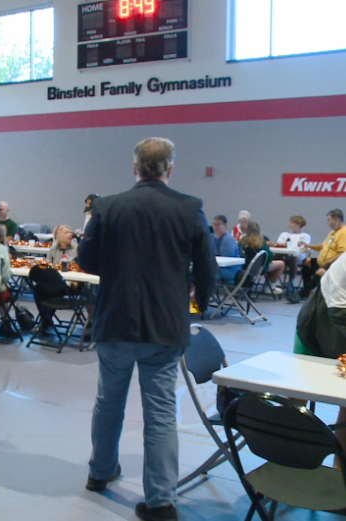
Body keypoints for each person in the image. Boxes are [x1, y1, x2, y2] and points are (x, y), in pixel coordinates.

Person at [79, 137, 215, 521]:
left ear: (135, 168)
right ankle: (161, 501)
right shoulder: (190, 209)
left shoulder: (107, 207)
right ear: (170, 169)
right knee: (160, 412)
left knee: (109, 402)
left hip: (115, 322)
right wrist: (200, 304)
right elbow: (206, 268)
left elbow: (87, 261)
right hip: (164, 327)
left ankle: (100, 473)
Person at [294, 253, 346, 462]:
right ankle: (285, 458)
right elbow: (338, 312)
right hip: (323, 320)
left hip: (330, 312)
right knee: (297, 395)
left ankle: (338, 477)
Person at [292, 208, 346, 303]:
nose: (327, 223)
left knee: (320, 272)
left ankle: (301, 293)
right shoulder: (333, 232)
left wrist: (327, 262)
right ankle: (308, 292)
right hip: (324, 262)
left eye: (329, 220)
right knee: (306, 262)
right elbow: (323, 246)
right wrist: (309, 245)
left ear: (336, 219)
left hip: (334, 264)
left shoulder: (343, 232)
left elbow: (343, 253)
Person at [239, 221, 284, 291]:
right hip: (259, 268)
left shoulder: (242, 240)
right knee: (281, 264)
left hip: (245, 266)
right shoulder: (261, 242)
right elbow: (269, 256)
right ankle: (270, 286)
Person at [277, 215, 310, 294]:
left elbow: (303, 247)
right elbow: (279, 245)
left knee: (295, 258)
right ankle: (271, 283)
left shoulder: (305, 236)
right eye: (290, 222)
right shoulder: (284, 234)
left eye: (292, 223)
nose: (290, 224)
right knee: (277, 256)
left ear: (299, 225)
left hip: (298, 257)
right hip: (285, 256)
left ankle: (291, 282)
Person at [210, 214, 241, 283]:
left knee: (204, 272)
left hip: (230, 270)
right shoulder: (211, 237)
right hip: (218, 268)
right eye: (214, 224)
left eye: (218, 224)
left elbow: (225, 260)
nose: (215, 227)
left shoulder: (228, 240)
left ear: (225, 225)